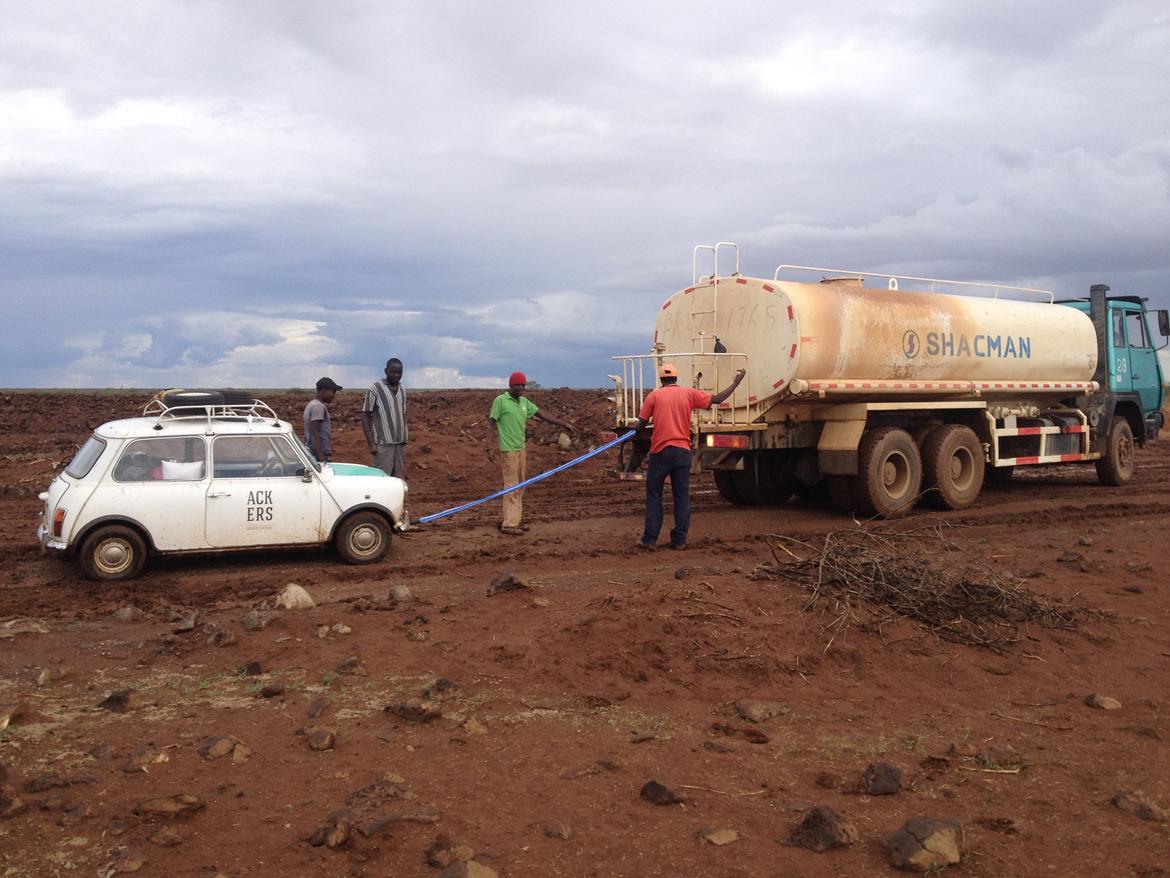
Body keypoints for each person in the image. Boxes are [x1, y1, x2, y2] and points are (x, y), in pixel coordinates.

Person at [633, 363, 746, 550]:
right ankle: (679, 540)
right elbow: (717, 399)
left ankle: (649, 540)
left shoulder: (653, 396)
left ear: (661, 380)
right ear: (676, 378)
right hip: (682, 452)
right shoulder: (689, 393)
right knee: (682, 496)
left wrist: (633, 431)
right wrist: (736, 383)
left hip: (660, 452)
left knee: (654, 494)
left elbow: (641, 424)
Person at [487, 371, 575, 535]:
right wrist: (489, 447)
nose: (521, 388)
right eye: (517, 385)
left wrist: (563, 424)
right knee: (512, 486)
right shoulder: (500, 401)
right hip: (508, 450)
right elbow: (491, 423)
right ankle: (509, 524)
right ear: (510, 386)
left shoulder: (524, 402)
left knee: (520, 485)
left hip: (521, 449)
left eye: (523, 385)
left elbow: (542, 414)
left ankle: (515, 520)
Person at [361, 358, 408, 478]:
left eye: (399, 372)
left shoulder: (402, 390)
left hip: (400, 442)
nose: (396, 375)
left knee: (397, 478)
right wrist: (371, 443)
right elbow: (365, 414)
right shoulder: (375, 389)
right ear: (386, 371)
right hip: (383, 443)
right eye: (393, 372)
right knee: (382, 478)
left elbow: (403, 413)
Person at [303, 377, 342, 462]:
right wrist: (321, 458)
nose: (334, 396)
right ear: (324, 390)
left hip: (312, 452)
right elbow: (315, 434)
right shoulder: (318, 407)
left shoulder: (312, 404)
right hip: (317, 454)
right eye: (333, 392)